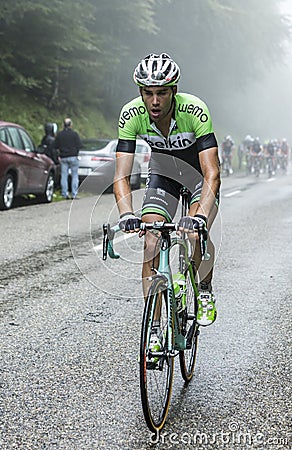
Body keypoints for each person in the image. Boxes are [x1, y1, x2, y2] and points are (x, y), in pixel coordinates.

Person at [113, 53, 221, 332]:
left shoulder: (195, 110)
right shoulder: (131, 114)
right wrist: (126, 213)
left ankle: (204, 287)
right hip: (164, 176)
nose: (155, 101)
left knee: (195, 232)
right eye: (148, 93)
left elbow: (212, 173)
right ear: (141, 93)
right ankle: (154, 329)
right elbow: (121, 175)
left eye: (162, 93)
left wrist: (200, 217)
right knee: (150, 241)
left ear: (174, 91)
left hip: (199, 176)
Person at [54, 118, 82, 199]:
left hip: (63, 157)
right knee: (74, 176)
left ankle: (64, 193)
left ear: (63, 125)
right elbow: (79, 145)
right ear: (71, 125)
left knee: (64, 176)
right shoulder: (75, 134)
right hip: (73, 156)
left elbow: (55, 146)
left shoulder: (59, 134)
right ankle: (74, 194)